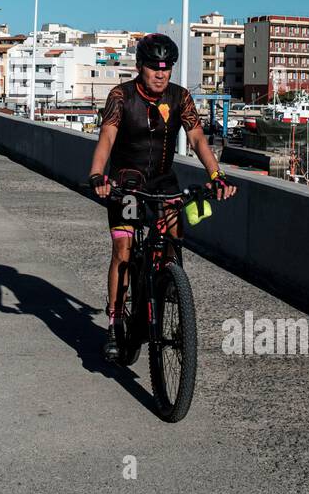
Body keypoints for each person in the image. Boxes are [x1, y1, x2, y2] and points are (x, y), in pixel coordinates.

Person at [88, 32, 236, 360]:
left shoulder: (180, 97)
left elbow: (197, 139)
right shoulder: (120, 96)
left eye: (166, 68)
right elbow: (107, 139)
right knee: (123, 249)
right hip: (126, 183)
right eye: (154, 67)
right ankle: (114, 321)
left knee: (174, 235)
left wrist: (216, 174)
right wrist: (98, 175)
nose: (160, 73)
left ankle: (170, 283)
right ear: (140, 67)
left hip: (164, 182)